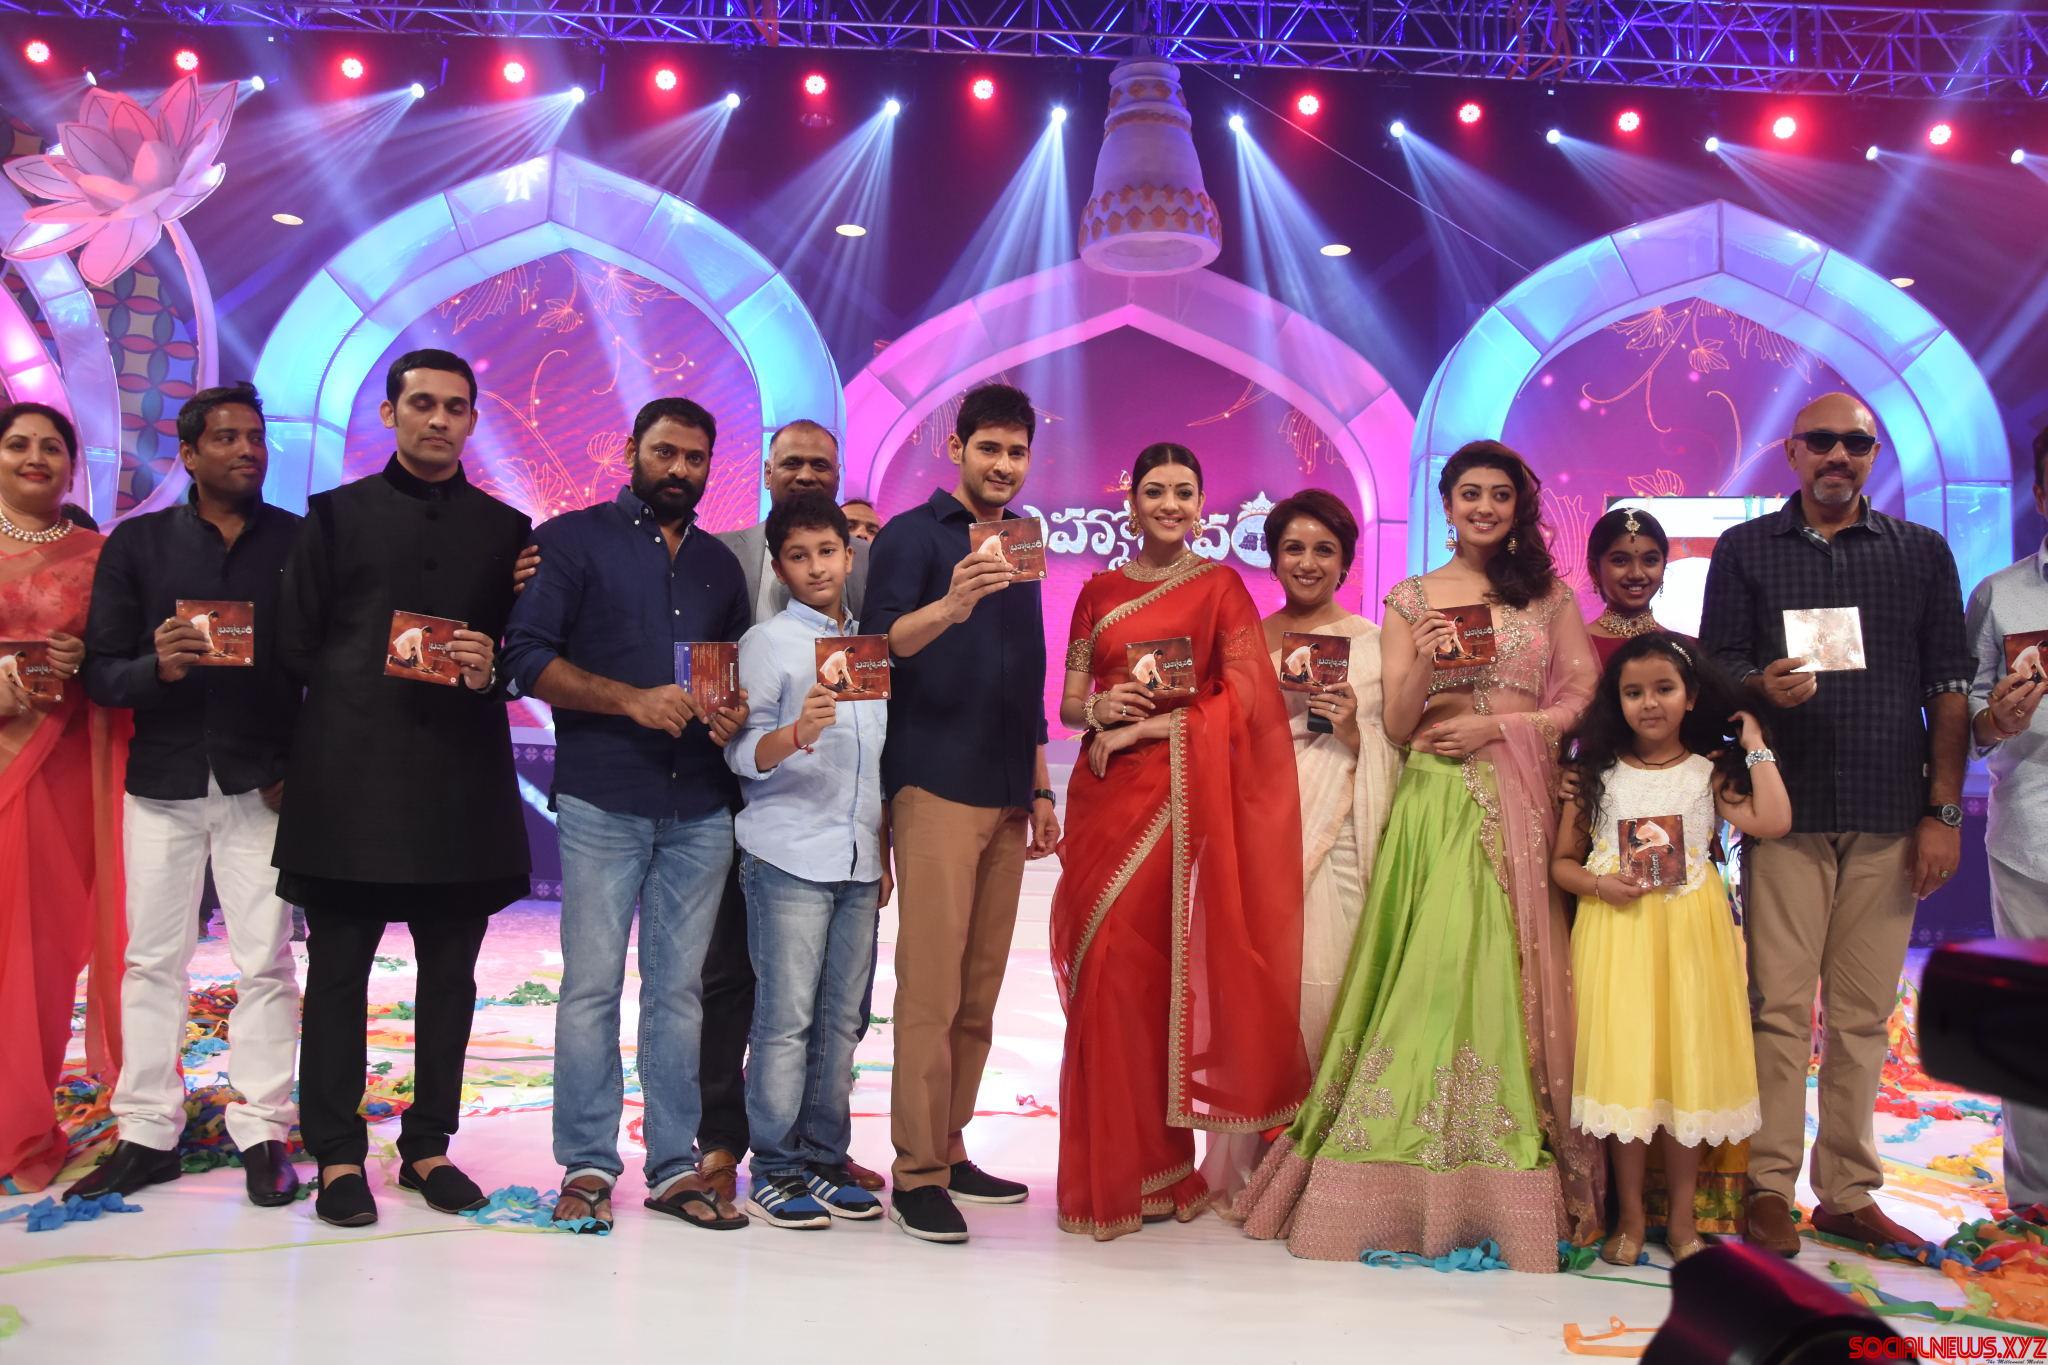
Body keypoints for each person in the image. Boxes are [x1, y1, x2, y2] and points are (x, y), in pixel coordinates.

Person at [1239, 439, 1604, 1271]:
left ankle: (1509, 1170)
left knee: (1509, 971)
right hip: (1435, 801)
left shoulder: (1548, 596)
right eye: (1470, 493)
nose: (1484, 507)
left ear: (1518, 507)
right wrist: (1432, 661)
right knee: (1431, 972)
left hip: (1518, 797)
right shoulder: (1411, 598)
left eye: (1499, 495)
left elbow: (1580, 693)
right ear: (1447, 505)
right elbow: (1399, 725)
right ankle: (1393, 1168)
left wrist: (1502, 725)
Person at [1698, 391, 1972, 1255]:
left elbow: (1949, 688)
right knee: (1779, 1008)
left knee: (1861, 1014)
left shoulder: (1920, 551)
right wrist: (1758, 688)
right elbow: (1716, 665)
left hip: (1891, 812)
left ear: (1873, 455)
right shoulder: (1747, 548)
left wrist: (1942, 811)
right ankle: (1768, 1186)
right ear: (1792, 451)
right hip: (1787, 811)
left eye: (1856, 443)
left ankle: (1848, 1192)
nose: (1838, 456)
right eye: (1821, 441)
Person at [274, 349, 532, 1228]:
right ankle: (337, 1154)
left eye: (455, 407)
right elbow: (295, 642)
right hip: (348, 781)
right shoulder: (334, 516)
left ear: (473, 420)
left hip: (458, 784)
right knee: (338, 973)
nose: (438, 420)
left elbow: (519, 657)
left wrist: (491, 668)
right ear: (389, 413)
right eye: (422, 403)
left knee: (450, 977)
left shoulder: (508, 532)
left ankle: (428, 1146)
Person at [500, 396, 751, 1234]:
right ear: (632, 452)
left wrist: (731, 713)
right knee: (592, 986)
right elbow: (525, 658)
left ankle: (674, 1164)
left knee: (679, 993)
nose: (679, 469)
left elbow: (729, 675)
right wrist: (630, 700)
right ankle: (586, 1162)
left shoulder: (720, 567)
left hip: (701, 803)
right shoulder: (571, 542)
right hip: (604, 794)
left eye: (694, 457)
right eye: (664, 452)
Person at [1051, 445, 1307, 1240]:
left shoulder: (1221, 587)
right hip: (1102, 791)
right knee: (1099, 974)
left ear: (1202, 504)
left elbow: (1248, 695)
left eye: (1184, 492)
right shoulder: (1097, 591)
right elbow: (1069, 702)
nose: (1170, 503)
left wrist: (1149, 728)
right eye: (1155, 490)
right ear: (1130, 500)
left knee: (1134, 969)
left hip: (1174, 792)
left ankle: (1154, 1168)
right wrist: (1101, 712)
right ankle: (1107, 1171)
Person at [70, 384, 302, 1208]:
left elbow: (325, 665)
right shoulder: (138, 545)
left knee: (266, 960)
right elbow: (101, 672)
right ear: (190, 454)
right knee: (150, 960)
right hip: (163, 778)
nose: (247, 450)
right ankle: (146, 1131)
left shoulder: (298, 542)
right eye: (228, 438)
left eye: (256, 437)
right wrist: (156, 667)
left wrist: (299, 762)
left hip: (263, 782)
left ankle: (264, 1131)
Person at [863, 382, 1060, 1243]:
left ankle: (950, 1143)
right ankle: (915, 1172)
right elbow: (878, 648)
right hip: (934, 781)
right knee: (931, 991)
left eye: (1016, 451)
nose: (1003, 464)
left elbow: (1030, 671)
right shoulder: (912, 536)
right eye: (990, 448)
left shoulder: (1024, 539)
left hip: (1008, 790)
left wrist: (1042, 785)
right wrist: (951, 602)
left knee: (979, 992)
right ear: (957, 448)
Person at [1553, 635, 1789, 1265]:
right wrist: (1601, 885)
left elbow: (1774, 820)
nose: (1649, 703)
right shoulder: (1597, 775)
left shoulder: (1709, 774)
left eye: (1664, 689)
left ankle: (1682, 1222)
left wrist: (1755, 744)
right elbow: (1562, 865)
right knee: (1626, 1072)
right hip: (1618, 936)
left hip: (1691, 938)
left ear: (1691, 697)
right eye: (1634, 692)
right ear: (1617, 701)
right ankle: (1630, 1218)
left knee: (1687, 1073)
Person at [1200, 488, 1402, 1217]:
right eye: (1294, 548)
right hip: (1257, 833)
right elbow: (1218, 738)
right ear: (1273, 556)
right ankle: (1254, 1163)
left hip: (1337, 833)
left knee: (1326, 987)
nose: (1308, 562)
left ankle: (1318, 1165)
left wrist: (1353, 730)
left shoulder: (1374, 644)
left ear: (1346, 561)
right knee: (1259, 994)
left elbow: (1397, 746)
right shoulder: (1245, 640)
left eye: (1324, 549)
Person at [696, 418, 882, 1204]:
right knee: (784, 1019)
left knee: (841, 1022)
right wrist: (795, 733)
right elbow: (741, 754)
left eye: (828, 551)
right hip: (784, 852)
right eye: (799, 556)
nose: (816, 566)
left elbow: (876, 757)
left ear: (850, 554)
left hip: (857, 857)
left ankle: (824, 1154)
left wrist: (881, 849)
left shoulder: (866, 649)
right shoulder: (767, 641)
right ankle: (773, 1163)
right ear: (779, 565)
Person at [0, 402, 126, 1193]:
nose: (34, 456)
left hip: (62, 767)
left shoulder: (102, 556)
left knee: (40, 955)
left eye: (51, 446)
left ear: (72, 466)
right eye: (17, 443)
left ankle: (18, 1122)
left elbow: (122, 656)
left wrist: (89, 656)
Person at [1961, 425, 2048, 1213]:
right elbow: (1966, 721)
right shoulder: (2000, 594)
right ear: (2041, 493)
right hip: (2030, 841)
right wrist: (1999, 720)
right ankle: (2037, 1197)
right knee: (2031, 1022)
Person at [1586, 507, 1685, 668]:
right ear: (1594, 570)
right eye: (1620, 560)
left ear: (1663, 566)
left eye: (1650, 560)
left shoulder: (1686, 650)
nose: (1636, 574)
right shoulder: (1571, 647)